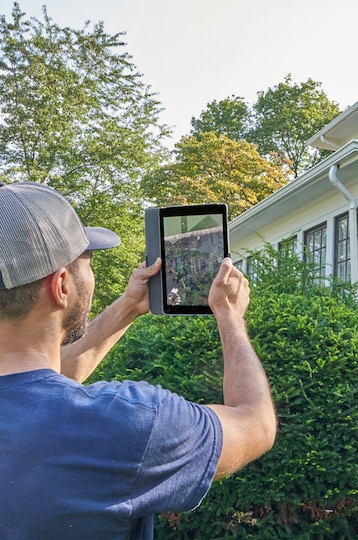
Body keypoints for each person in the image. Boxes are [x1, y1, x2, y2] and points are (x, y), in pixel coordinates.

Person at [0, 182, 276, 539]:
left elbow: (36, 388)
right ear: (62, 286)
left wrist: (129, 306)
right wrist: (229, 314)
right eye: (88, 259)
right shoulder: (125, 421)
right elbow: (255, 422)